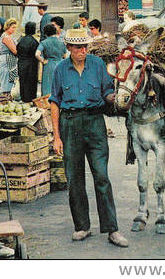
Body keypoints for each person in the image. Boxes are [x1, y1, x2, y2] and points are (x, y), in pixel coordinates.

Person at [49, 28, 128, 248]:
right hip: (70, 124)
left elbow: (106, 93)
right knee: (74, 179)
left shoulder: (97, 65)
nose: (82, 51)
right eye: (78, 47)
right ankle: (82, 226)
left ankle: (112, 229)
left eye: (85, 46)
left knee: (101, 177)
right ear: (69, 49)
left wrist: (118, 97)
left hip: (95, 124)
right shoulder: (60, 69)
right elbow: (55, 102)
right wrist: (57, 137)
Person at [36, 23, 67, 96]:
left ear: (45, 33)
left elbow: (37, 54)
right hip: (60, 64)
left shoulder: (43, 42)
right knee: (59, 84)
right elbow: (65, 56)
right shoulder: (61, 42)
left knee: (48, 85)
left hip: (48, 65)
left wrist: (42, 60)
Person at [16, 21, 39, 102]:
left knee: (23, 82)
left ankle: (24, 98)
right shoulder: (34, 41)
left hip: (21, 63)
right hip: (31, 64)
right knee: (31, 82)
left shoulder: (21, 40)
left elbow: (17, 51)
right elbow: (36, 53)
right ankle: (31, 99)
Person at [0, 18, 18, 94]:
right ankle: (6, 97)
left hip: (10, 59)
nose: (14, 29)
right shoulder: (6, 37)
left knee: (11, 81)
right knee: (7, 81)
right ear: (8, 27)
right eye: (13, 27)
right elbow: (15, 50)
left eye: (15, 27)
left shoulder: (10, 36)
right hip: (6, 60)